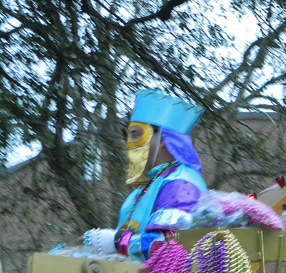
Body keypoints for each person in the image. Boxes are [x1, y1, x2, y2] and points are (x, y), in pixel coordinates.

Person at [86, 89, 207, 261]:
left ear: (163, 139)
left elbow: (169, 245)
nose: (129, 144)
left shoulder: (180, 185)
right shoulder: (152, 184)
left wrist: (115, 242)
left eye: (136, 134)